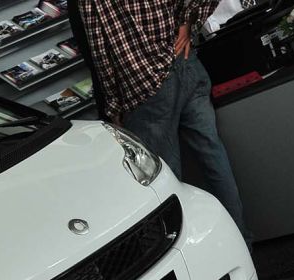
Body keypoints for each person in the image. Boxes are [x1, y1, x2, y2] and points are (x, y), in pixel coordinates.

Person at [75, 0, 252, 244]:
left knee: (165, 186)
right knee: (213, 155)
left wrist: (113, 106)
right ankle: (241, 242)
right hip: (185, 61)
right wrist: (187, 25)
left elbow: (101, 51)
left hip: (146, 88)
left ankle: (193, 258)